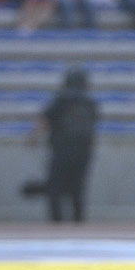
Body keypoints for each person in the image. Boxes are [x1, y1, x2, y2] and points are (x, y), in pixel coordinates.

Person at [22, 66, 99, 222]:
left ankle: (56, 224)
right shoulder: (90, 103)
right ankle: (79, 222)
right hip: (83, 151)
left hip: (61, 150)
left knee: (55, 188)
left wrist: (33, 138)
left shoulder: (61, 100)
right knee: (77, 189)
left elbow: (44, 120)